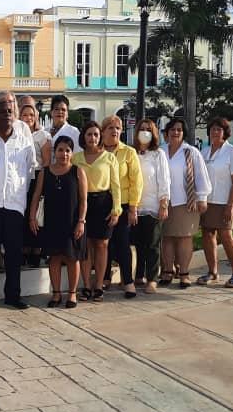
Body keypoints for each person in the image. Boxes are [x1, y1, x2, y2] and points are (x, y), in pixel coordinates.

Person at [0, 91, 37, 310]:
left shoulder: (23, 141)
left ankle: (13, 294)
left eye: (10, 111)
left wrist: (22, 197)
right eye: (2, 111)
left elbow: (30, 170)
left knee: (14, 253)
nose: (7, 114)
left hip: (14, 204)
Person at [29, 136, 87, 308]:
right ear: (55, 152)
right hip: (52, 222)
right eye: (60, 150)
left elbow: (84, 200)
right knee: (54, 258)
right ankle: (56, 294)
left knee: (72, 258)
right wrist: (32, 217)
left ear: (72, 153)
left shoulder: (78, 171)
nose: (64, 154)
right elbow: (36, 197)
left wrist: (81, 221)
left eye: (67, 150)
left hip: (72, 223)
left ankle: (72, 293)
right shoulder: (45, 173)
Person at [72, 121, 121, 302]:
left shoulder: (109, 158)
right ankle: (85, 285)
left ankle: (99, 285)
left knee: (101, 245)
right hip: (82, 204)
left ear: (100, 137)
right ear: (83, 137)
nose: (92, 138)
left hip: (103, 204)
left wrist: (116, 209)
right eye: (89, 134)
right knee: (85, 247)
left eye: (95, 134)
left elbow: (116, 186)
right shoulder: (76, 158)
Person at [161, 117, 211, 288]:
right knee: (166, 237)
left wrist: (202, 198)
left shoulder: (191, 152)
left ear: (184, 133)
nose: (176, 132)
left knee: (184, 237)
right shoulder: (160, 151)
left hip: (186, 202)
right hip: (164, 202)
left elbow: (201, 176)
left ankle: (184, 273)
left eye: (179, 130)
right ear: (166, 133)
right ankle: (167, 271)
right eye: (173, 129)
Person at [198, 117, 233, 288]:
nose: (215, 132)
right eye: (212, 129)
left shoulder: (232, 152)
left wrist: (230, 205)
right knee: (207, 235)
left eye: (219, 129)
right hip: (207, 202)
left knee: (226, 236)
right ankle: (212, 272)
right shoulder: (203, 152)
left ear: (225, 132)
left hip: (225, 202)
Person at [100, 116, 143, 298]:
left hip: (124, 205)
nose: (114, 131)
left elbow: (136, 181)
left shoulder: (129, 152)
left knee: (123, 243)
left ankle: (128, 281)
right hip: (102, 203)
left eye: (117, 127)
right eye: (110, 127)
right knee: (104, 244)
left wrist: (133, 207)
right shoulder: (96, 150)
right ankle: (104, 277)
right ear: (103, 131)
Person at [132, 119, 170, 294]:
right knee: (139, 243)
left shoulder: (158, 154)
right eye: (142, 129)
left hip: (153, 206)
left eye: (148, 129)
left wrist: (164, 203)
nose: (145, 132)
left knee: (153, 244)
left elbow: (164, 180)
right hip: (136, 206)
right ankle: (138, 275)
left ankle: (152, 278)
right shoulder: (133, 153)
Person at [19, 96, 51, 268]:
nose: (28, 118)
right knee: (23, 215)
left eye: (31, 115)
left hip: (38, 177)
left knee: (36, 215)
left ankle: (36, 250)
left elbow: (46, 162)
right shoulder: (17, 134)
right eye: (25, 115)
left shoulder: (42, 136)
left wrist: (41, 183)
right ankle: (24, 249)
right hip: (22, 178)